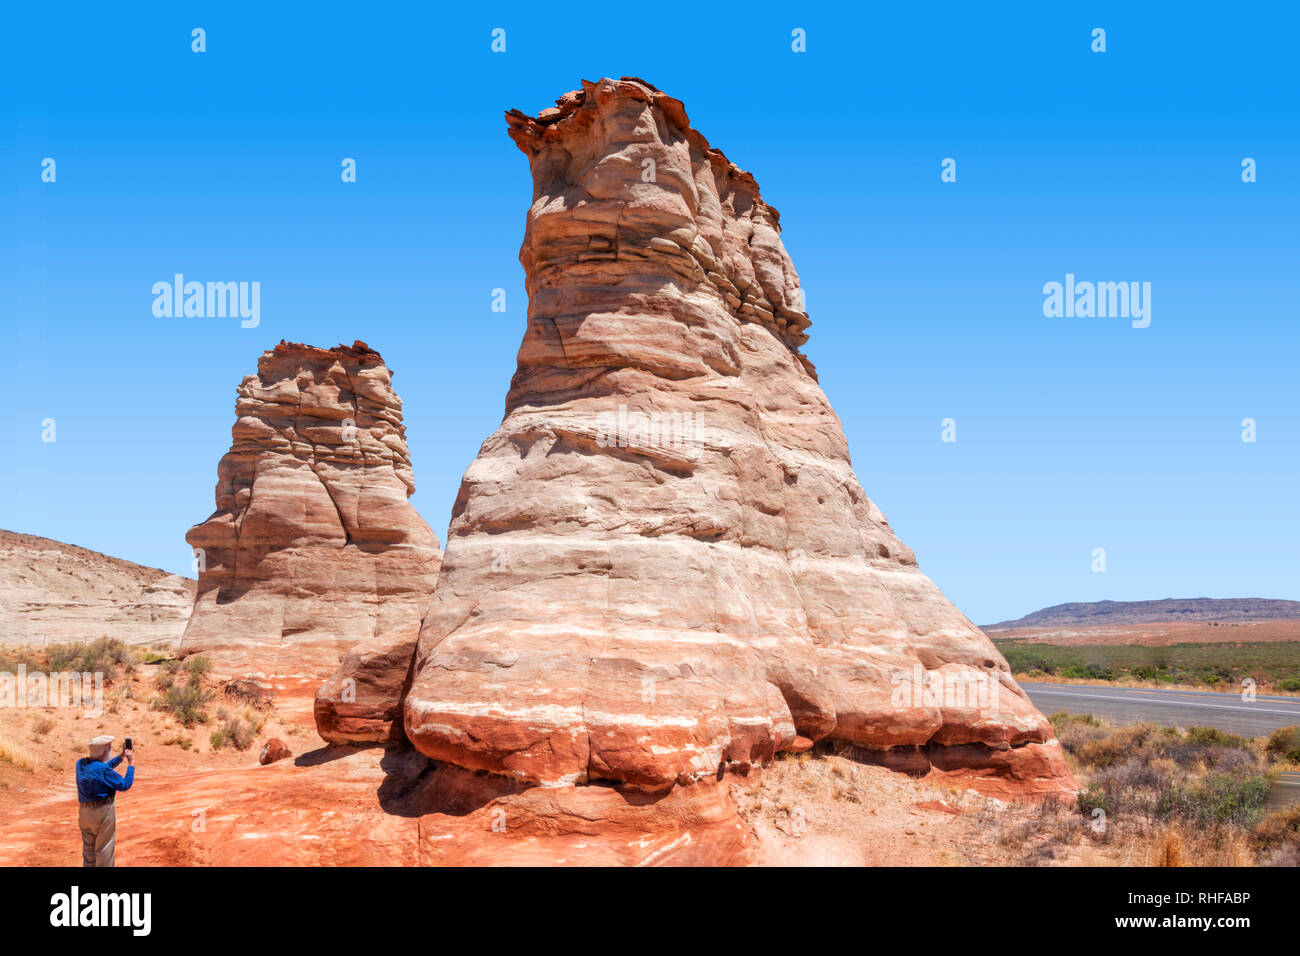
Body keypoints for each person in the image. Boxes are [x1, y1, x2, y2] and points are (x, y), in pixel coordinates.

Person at [75, 734, 134, 867]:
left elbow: (102, 768)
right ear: (107, 749)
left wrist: (121, 756)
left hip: (84, 813)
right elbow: (125, 784)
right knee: (104, 853)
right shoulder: (103, 770)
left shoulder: (81, 764)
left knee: (88, 854)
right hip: (102, 814)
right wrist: (131, 763)